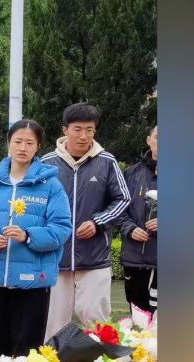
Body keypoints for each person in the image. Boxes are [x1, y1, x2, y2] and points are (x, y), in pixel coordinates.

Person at [0, 120, 73, 359]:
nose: (22, 147)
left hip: (34, 282)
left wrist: (27, 235)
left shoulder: (50, 186)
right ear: (9, 143)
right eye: (17, 141)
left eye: (29, 143)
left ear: (38, 146)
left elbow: (62, 228)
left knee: (28, 348)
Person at [41, 102, 131, 338]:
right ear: (65, 130)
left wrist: (98, 222)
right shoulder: (46, 164)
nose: (83, 136)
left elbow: (123, 199)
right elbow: (34, 204)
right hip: (55, 258)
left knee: (97, 320)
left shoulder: (106, 161)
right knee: (52, 324)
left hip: (94, 258)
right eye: (77, 129)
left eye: (89, 130)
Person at [118, 124, 158, 314]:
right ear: (149, 140)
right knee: (139, 322)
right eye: (158, 137)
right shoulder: (130, 174)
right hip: (135, 260)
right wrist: (130, 229)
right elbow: (117, 210)